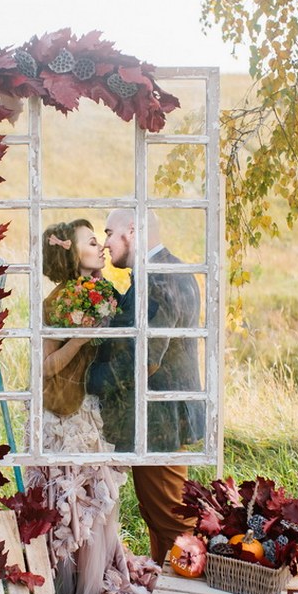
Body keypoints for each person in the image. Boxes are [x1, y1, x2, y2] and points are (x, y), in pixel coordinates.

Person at [26, 218, 158, 594]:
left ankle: (95, 586)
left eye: (100, 239)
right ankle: (65, 591)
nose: (101, 245)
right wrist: (82, 336)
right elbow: (45, 367)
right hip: (62, 416)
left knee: (98, 502)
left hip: (92, 413)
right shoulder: (54, 303)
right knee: (67, 504)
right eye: (90, 241)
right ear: (70, 252)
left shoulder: (105, 294)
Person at [87, 208, 204, 565]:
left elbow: (144, 359)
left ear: (132, 230)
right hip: (164, 415)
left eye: (109, 233)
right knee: (160, 518)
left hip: (158, 421)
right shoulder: (171, 271)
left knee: (172, 522)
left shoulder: (156, 280)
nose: (105, 243)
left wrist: (86, 382)